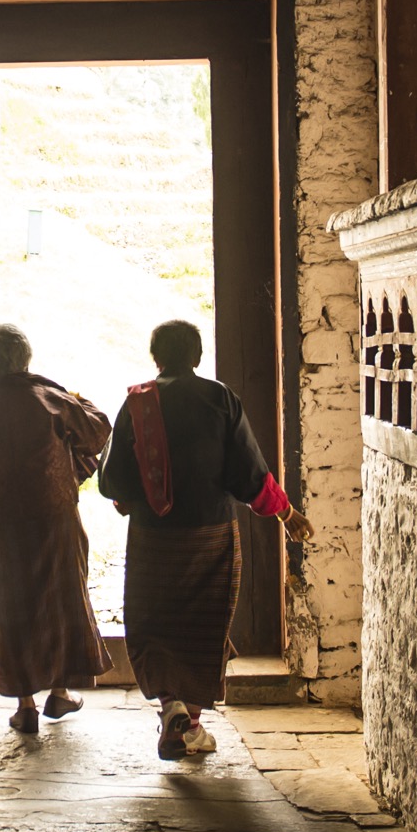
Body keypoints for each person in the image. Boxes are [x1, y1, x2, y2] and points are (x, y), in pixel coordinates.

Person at [99, 318, 312, 759]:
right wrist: (285, 513)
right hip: (210, 538)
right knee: (202, 623)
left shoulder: (137, 406)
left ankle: (170, 707)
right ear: (197, 358)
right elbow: (250, 474)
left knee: (155, 621)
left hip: (153, 541)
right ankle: (190, 723)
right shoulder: (220, 400)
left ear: (155, 357)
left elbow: (113, 481)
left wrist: (137, 502)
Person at [0, 324, 115, 735]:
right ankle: (61, 690)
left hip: (2, 522)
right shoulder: (47, 396)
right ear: (25, 358)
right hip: (54, 515)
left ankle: (25, 704)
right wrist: (81, 401)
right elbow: (98, 429)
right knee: (60, 594)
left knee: (11, 601)